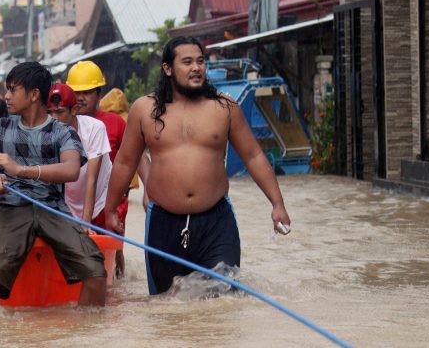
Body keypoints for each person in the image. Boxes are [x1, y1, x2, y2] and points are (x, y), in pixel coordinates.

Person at [103, 36, 292, 295]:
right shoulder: (144, 109)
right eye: (188, 62)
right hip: (163, 224)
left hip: (216, 223)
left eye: (201, 61)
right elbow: (125, 162)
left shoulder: (224, 107)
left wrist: (277, 204)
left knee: (222, 301)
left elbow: (253, 156)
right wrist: (111, 209)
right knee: (167, 308)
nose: (196, 68)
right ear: (168, 68)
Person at [0, 62, 107, 306]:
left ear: (33, 95)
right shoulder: (0, 128)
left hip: (52, 208)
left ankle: (85, 335)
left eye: (13, 90)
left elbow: (71, 170)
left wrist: (21, 170)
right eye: (7, 90)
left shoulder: (62, 131)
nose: (6, 96)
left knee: (95, 273)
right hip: (9, 208)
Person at [66, 60, 146, 278]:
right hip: (74, 198)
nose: (81, 97)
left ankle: (117, 282)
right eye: (76, 92)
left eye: (88, 92)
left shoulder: (115, 123)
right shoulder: (61, 126)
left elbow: (137, 156)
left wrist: (150, 190)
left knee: (112, 244)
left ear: (98, 94)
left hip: (110, 200)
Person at [46, 83, 112, 225]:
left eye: (59, 112)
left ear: (74, 110)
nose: (53, 118)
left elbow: (91, 179)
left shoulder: (95, 129)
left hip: (100, 201)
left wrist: (86, 224)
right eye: (49, 112)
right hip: (68, 206)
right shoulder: (45, 134)